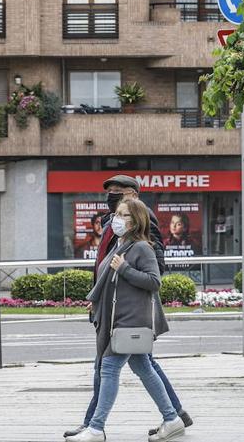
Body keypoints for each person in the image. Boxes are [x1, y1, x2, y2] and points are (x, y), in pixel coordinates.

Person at [65, 175, 191, 439]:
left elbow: (153, 274)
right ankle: (173, 416)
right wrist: (96, 300)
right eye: (109, 192)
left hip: (129, 313)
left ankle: (94, 426)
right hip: (112, 311)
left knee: (108, 367)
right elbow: (105, 271)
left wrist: (126, 269)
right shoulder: (115, 231)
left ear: (133, 197)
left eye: (118, 193)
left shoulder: (140, 238)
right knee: (143, 365)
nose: (112, 198)